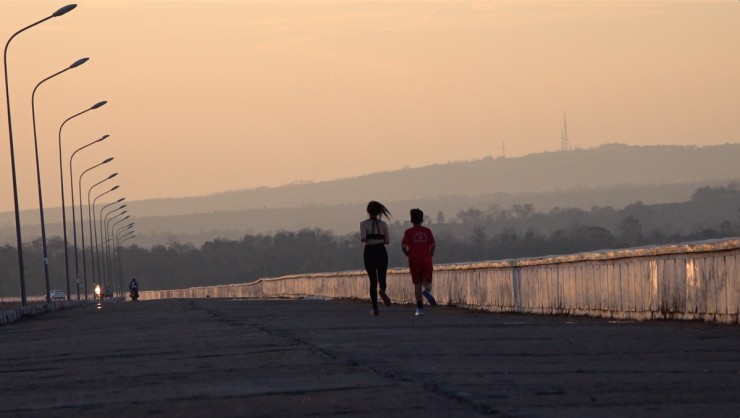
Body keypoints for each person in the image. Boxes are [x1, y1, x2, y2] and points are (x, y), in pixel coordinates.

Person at [402, 208, 437, 316]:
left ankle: (420, 309)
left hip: (414, 259)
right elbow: (433, 244)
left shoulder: (408, 232)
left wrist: (408, 254)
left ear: (411, 220)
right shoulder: (427, 231)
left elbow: (403, 246)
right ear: (422, 219)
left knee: (417, 284)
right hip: (426, 258)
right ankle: (426, 291)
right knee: (427, 280)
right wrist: (431, 253)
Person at [360, 201, 392, 316]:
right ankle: (382, 291)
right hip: (381, 250)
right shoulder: (383, 224)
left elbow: (363, 238)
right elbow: (387, 241)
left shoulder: (363, 224)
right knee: (382, 276)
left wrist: (369, 236)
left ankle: (375, 308)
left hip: (369, 251)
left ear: (368, 212)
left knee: (372, 280)